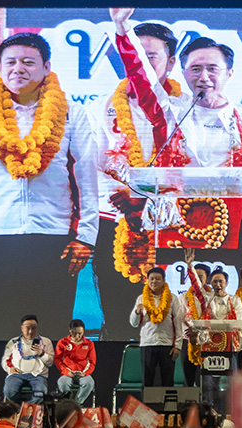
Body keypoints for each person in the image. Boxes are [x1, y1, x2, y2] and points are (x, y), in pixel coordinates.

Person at [0, 32, 98, 339]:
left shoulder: (70, 113)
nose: (18, 69)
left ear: (46, 67)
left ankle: (52, 388)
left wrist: (86, 237)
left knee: (53, 327)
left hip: (53, 236)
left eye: (28, 62)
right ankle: (2, 388)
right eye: (10, 62)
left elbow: (87, 178)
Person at [110, 8, 242, 273]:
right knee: (177, 307)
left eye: (212, 69)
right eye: (196, 69)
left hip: (231, 229)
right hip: (176, 226)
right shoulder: (170, 112)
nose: (203, 77)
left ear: (230, 72)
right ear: (184, 72)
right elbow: (140, 76)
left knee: (225, 309)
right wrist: (122, 27)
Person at [92, 22, 182, 337]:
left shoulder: (183, 108)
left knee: (169, 318)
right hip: (116, 220)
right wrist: (130, 195)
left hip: (170, 225)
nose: (141, 65)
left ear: (171, 63)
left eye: (151, 57)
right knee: (119, 318)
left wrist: (149, 196)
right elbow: (94, 165)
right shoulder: (103, 106)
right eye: (134, 55)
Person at [185, 249, 242, 408]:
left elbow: (240, 323)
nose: (218, 285)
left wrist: (217, 325)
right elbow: (196, 287)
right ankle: (209, 414)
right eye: (215, 282)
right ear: (210, 283)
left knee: (232, 384)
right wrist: (189, 265)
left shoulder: (235, 300)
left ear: (226, 283)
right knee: (208, 384)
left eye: (221, 282)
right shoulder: (206, 300)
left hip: (229, 348)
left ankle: (232, 414)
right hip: (209, 348)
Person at [130, 267, 184, 387]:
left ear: (164, 281)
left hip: (167, 345)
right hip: (147, 344)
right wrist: (137, 312)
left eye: (158, 279)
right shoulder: (141, 298)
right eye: (152, 279)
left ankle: (167, 406)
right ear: (148, 281)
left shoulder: (172, 298)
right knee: (147, 381)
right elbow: (133, 323)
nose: (154, 281)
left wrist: (178, 346)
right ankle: (146, 406)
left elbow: (178, 323)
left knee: (167, 380)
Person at [2, 315, 54, 404]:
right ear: (22, 328)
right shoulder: (13, 342)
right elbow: (5, 360)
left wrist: (41, 354)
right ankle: (20, 407)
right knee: (9, 391)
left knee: (40, 393)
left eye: (33, 328)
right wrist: (9, 369)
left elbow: (50, 362)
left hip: (37, 375)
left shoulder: (45, 342)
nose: (30, 332)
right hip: (17, 374)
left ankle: (28, 410)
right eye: (27, 328)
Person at [182, 263, 212, 387]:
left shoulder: (211, 297)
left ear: (207, 279)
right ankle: (188, 406)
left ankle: (205, 405)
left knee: (204, 379)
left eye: (200, 276)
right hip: (188, 340)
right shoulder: (183, 297)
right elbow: (180, 319)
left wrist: (199, 332)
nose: (197, 280)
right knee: (188, 379)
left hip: (207, 340)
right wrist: (191, 333)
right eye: (194, 276)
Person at [54, 319, 96, 404]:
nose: (77, 336)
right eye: (74, 333)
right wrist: (66, 372)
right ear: (70, 330)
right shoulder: (62, 342)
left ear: (83, 331)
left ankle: (76, 404)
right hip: (68, 373)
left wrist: (85, 373)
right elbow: (57, 359)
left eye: (80, 333)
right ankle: (67, 404)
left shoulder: (89, 343)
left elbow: (92, 362)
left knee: (89, 383)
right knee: (63, 384)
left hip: (83, 373)